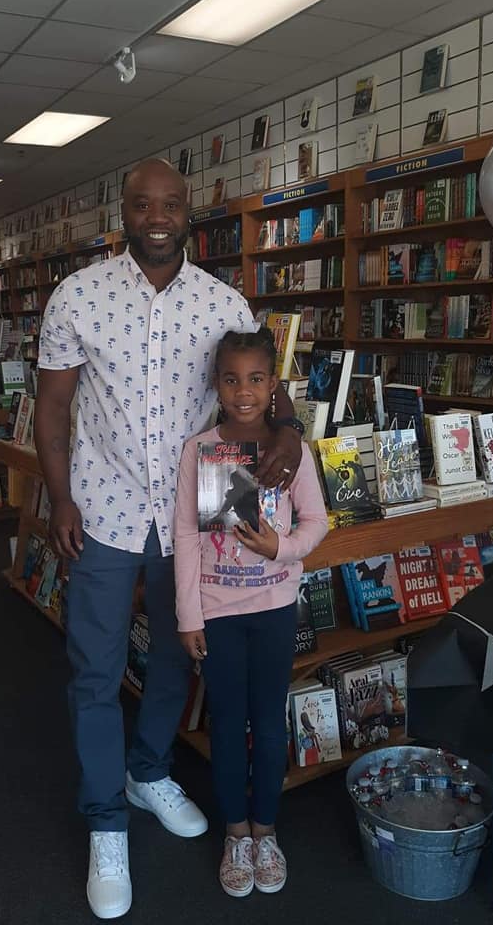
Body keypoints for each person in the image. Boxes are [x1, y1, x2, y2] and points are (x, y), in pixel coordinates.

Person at [34, 159, 304, 919]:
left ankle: (147, 770)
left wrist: (284, 429)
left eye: (172, 204)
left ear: (192, 213)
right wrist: (59, 497)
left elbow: (264, 394)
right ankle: (106, 825)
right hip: (105, 509)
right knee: (96, 669)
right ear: (122, 212)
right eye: (143, 204)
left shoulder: (224, 302)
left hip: (198, 516)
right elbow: (53, 409)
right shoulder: (77, 296)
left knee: (180, 656)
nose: (157, 215)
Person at [173, 327, 328, 898]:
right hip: (218, 612)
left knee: (267, 725)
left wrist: (279, 548)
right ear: (216, 384)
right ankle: (235, 833)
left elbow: (316, 522)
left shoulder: (291, 452)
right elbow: (187, 536)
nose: (244, 392)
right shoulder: (202, 449)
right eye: (232, 379)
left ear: (273, 386)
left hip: (274, 608)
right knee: (227, 721)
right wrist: (190, 615)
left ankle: (266, 830)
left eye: (257, 379)